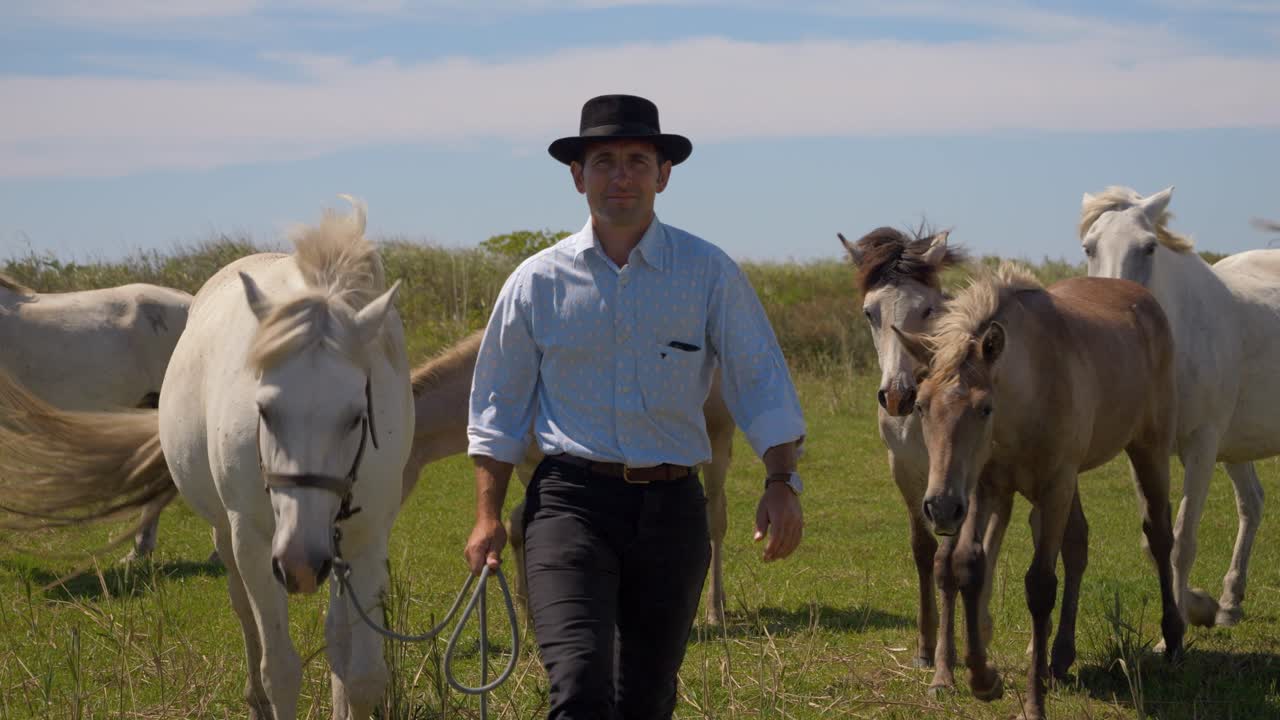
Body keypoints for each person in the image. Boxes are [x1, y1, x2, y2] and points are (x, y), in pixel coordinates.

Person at [464, 93, 806, 719]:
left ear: (663, 175)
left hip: (673, 510)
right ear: (578, 177)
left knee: (644, 699)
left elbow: (761, 381)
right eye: (604, 162)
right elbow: (497, 408)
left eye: (637, 162)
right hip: (568, 505)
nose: (621, 176)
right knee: (579, 685)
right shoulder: (535, 282)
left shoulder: (708, 273)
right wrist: (488, 516)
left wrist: (781, 481)